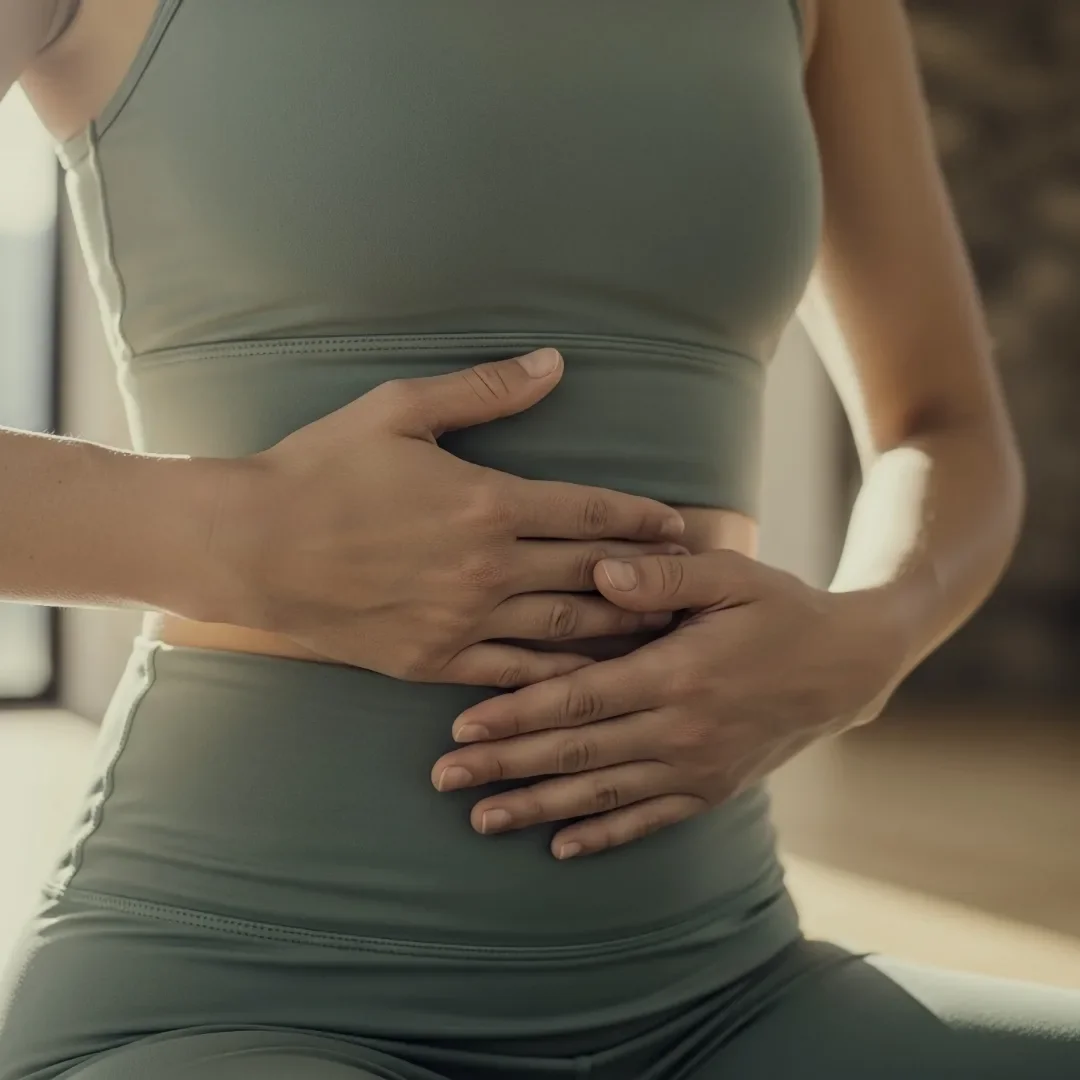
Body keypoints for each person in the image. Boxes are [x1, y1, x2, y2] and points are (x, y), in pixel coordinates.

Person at [0, 0, 1076, 1077]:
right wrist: (241, 537)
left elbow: (944, 423)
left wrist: (872, 637)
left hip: (726, 989)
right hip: (236, 1005)